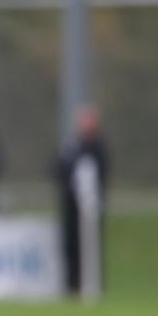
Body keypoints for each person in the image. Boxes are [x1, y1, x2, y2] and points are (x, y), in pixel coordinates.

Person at [55, 105, 109, 295]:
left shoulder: (98, 145)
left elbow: (102, 173)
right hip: (70, 204)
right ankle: (71, 285)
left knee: (90, 247)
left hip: (89, 207)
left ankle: (93, 284)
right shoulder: (71, 144)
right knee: (70, 246)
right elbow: (57, 167)